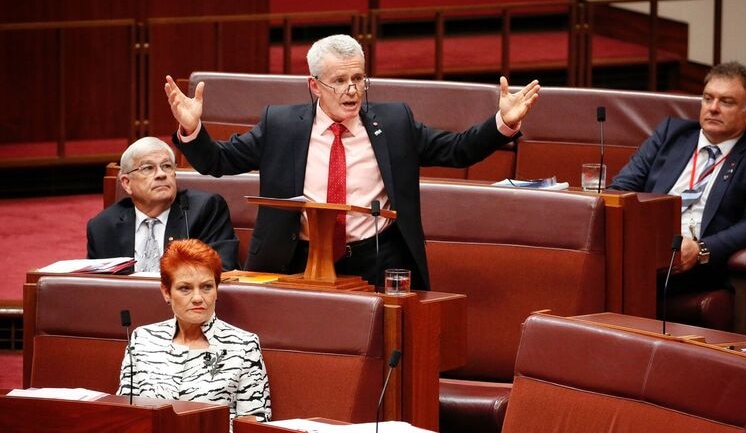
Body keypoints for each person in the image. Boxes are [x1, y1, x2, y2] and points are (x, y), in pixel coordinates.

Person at [164, 34, 541, 290]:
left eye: (359, 78)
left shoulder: (394, 123)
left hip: (376, 258)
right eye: (340, 81)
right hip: (296, 259)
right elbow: (219, 161)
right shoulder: (280, 124)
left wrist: (503, 123)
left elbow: (458, 150)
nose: (351, 90)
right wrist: (193, 129)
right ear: (314, 85)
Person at [609, 61, 746, 299]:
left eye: (726, 102)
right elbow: (621, 188)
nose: (713, 108)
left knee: (618, 276)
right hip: (646, 243)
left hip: (702, 265)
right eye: (707, 98)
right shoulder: (671, 135)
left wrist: (702, 249)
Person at [117, 239, 271, 427]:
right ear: (166, 292)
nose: (198, 298)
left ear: (216, 290)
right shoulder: (142, 340)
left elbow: (254, 426)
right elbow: (124, 416)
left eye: (206, 287)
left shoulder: (243, 346)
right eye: (185, 288)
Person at [87, 137, 240, 271]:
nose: (161, 174)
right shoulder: (103, 226)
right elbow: (95, 286)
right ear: (127, 183)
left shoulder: (205, 210)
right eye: (148, 168)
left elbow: (220, 269)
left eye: (167, 166)